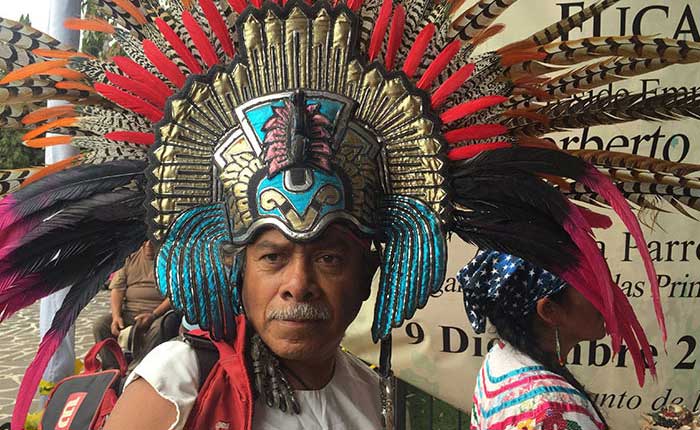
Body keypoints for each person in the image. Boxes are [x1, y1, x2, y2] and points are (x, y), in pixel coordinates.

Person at [1, 0, 699, 428]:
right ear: (236, 269)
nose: (299, 283)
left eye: (330, 256)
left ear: (369, 271)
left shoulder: (364, 391)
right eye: (272, 255)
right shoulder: (181, 379)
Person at [458, 250, 612, 429]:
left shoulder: (502, 356)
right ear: (549, 311)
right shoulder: (552, 410)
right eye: (591, 286)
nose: (608, 297)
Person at [92, 240, 172, 368]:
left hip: (159, 314)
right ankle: (114, 370)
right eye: (145, 241)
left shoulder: (172, 259)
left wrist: (153, 315)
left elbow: (174, 296)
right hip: (130, 312)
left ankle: (139, 368)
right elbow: (117, 289)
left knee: (159, 329)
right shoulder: (130, 257)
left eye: (153, 242)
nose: (148, 246)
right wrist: (116, 317)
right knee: (100, 325)